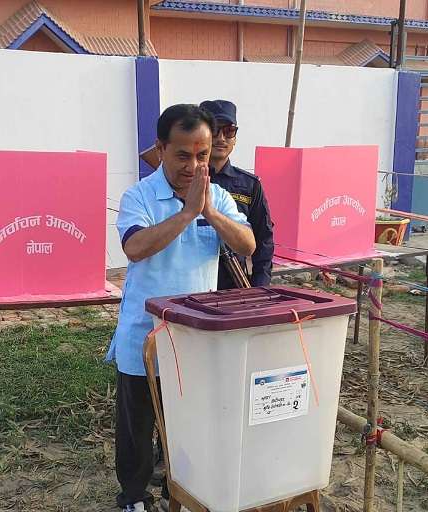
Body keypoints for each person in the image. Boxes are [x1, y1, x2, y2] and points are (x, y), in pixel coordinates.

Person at [108, 104, 255, 512]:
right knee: (138, 427)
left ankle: (179, 493)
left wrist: (208, 211)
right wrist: (188, 212)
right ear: (161, 149)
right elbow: (135, 247)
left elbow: (247, 244)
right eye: (183, 155)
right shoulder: (139, 196)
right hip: (144, 337)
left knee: (186, 425)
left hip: (194, 339)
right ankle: (134, 498)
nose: (193, 166)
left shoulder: (217, 196)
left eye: (202, 155)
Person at [200, 99, 275, 289]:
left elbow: (264, 239)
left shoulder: (249, 184)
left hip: (233, 283)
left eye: (229, 131)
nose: (221, 138)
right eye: (214, 130)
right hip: (191, 283)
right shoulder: (184, 180)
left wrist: (260, 286)